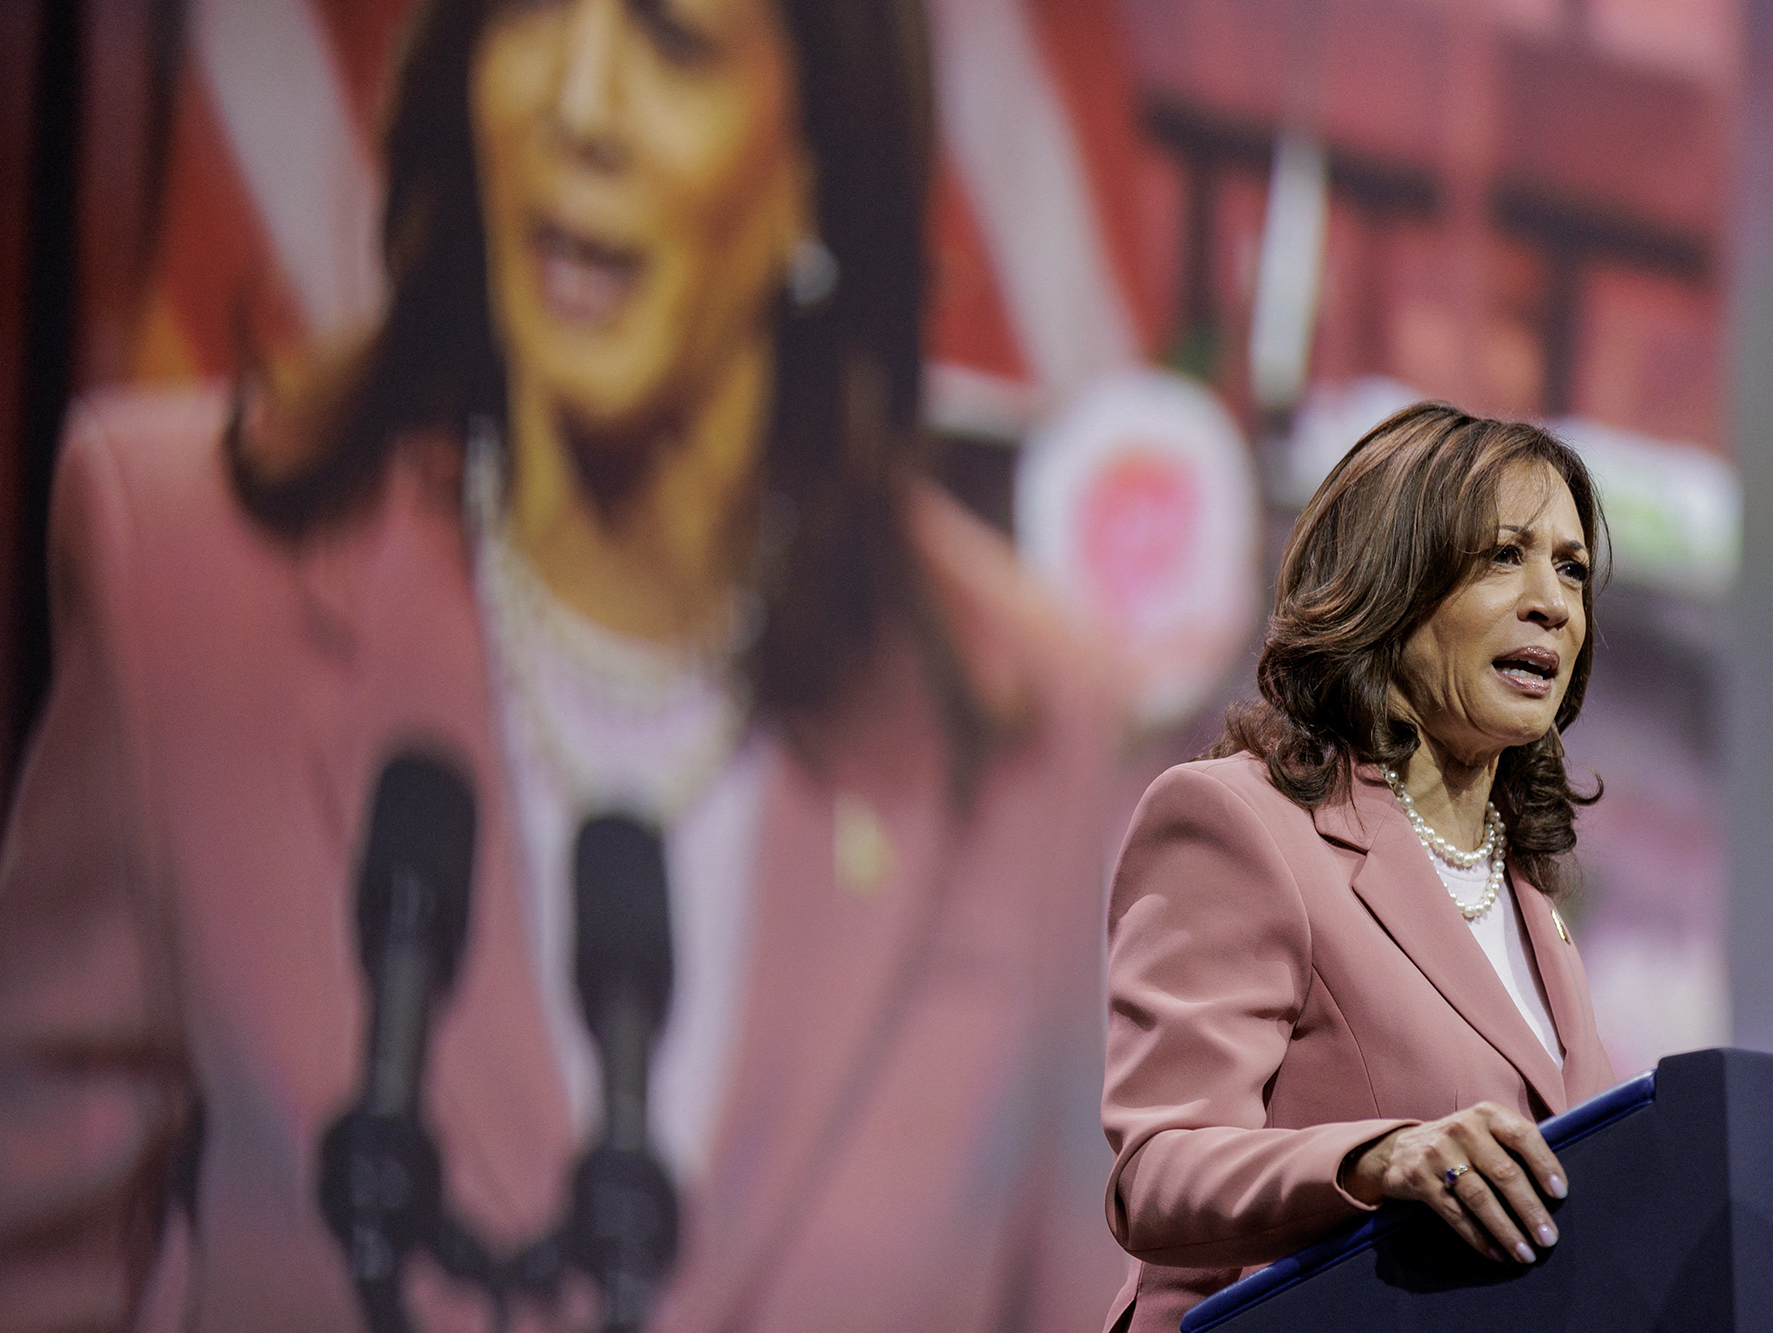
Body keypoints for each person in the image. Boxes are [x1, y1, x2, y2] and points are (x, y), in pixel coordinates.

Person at [0, 0, 1125, 1328]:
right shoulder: (183, 587)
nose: (578, 107)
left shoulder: (1032, 731)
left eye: (671, 43)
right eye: (529, 14)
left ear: (818, 158)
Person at [1098, 403, 1621, 1333]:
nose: (1552, 599)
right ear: (1392, 580)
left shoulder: (1533, 898)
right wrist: (1379, 1158)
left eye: (1572, 568)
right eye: (1505, 554)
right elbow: (1158, 1172)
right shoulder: (1242, 822)